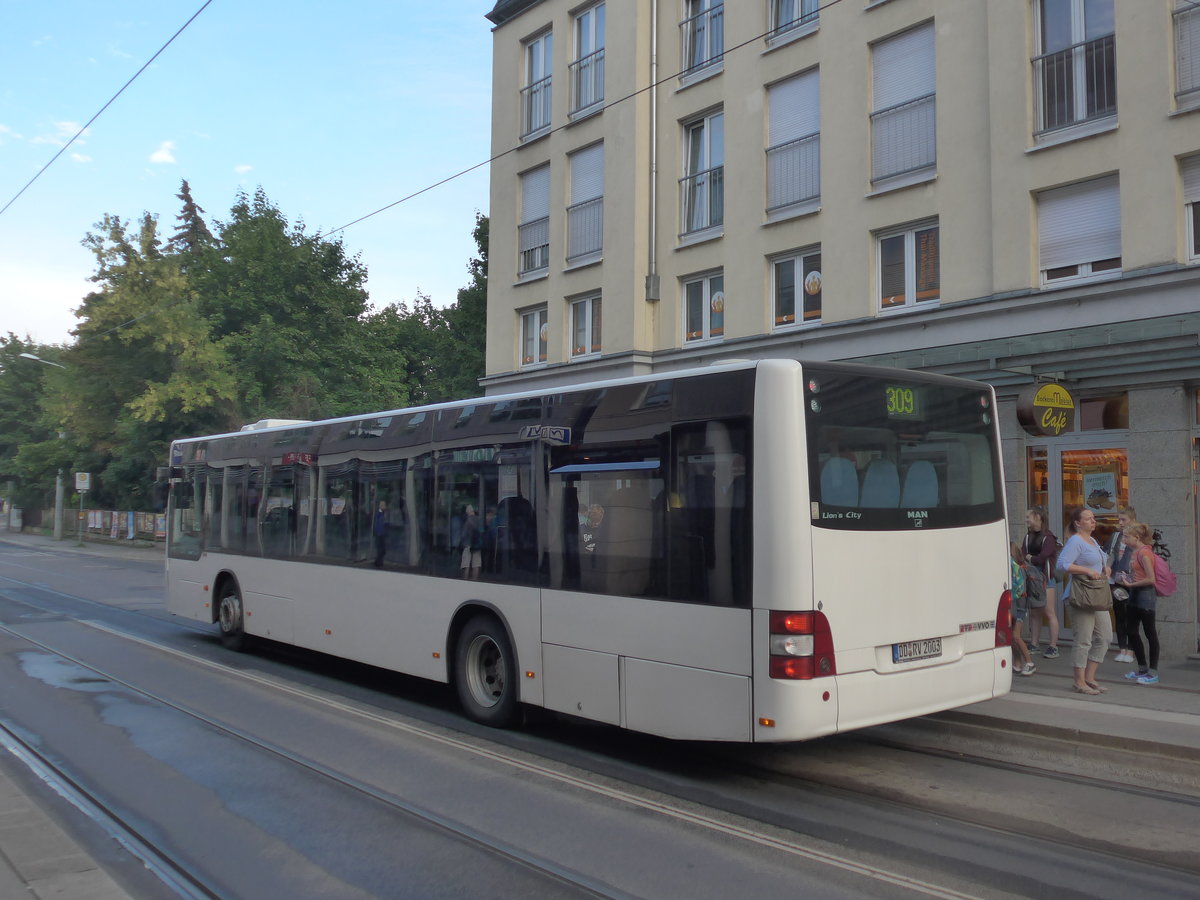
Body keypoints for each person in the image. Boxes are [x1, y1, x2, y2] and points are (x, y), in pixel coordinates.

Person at [1057, 507, 1113, 695]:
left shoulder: (1094, 541)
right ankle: (1079, 681)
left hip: (1095, 596)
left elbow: (1099, 561)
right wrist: (1087, 571)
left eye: (1093, 518)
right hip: (1080, 597)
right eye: (1088, 519)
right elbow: (1062, 564)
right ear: (1078, 523)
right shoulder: (1075, 541)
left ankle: (1089, 677)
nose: (1093, 521)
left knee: (1105, 637)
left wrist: (1106, 569)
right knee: (1083, 640)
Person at [1117, 522, 1161, 685]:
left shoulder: (1144, 553)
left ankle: (1153, 671)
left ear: (1136, 537)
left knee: (1150, 632)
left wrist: (1131, 584)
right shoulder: (1134, 552)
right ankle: (1142, 668)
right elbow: (1137, 574)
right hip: (1134, 594)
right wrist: (1127, 579)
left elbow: (1150, 579)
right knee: (1131, 630)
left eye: (1127, 536)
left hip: (1145, 596)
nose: (1124, 539)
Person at [1022, 506, 1060, 659]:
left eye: (1028, 517)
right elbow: (1023, 553)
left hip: (1045, 578)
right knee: (1035, 613)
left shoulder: (1048, 537)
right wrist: (1030, 558)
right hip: (1032, 577)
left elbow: (1043, 557)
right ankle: (1034, 643)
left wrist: (1031, 558)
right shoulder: (1028, 536)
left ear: (1037, 517)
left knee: (1049, 611)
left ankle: (1053, 646)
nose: (1026, 520)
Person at [1106, 506, 1136, 663]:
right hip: (1116, 579)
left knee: (1132, 615)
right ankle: (1122, 648)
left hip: (1133, 581)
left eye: (1123, 519)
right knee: (1119, 614)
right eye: (1119, 519)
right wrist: (1108, 569)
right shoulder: (1115, 536)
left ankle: (1131, 650)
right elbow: (1110, 555)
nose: (1120, 522)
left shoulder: (1137, 537)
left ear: (1132, 520)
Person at [1009, 542, 1036, 676]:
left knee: (1015, 636)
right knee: (1011, 637)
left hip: (1018, 606)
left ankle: (1030, 662)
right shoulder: (1019, 566)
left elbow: (1017, 590)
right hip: (1016, 606)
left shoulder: (1014, 567)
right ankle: (1017, 662)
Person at [460, 504, 482, 580]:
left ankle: (465, 580)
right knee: (476, 564)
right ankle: (474, 580)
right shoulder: (479, 519)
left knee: (466, 564)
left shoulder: (468, 521)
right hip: (477, 545)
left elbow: (463, 534)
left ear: (467, 512)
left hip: (468, 544)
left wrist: (462, 542)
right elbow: (482, 531)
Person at [372, 500, 389, 568]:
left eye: (384, 505)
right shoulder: (379, 513)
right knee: (381, 549)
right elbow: (379, 524)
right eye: (382, 505)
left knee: (382, 549)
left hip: (381, 534)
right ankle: (378, 562)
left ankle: (378, 562)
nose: (384, 506)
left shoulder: (382, 513)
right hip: (379, 534)